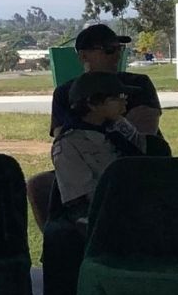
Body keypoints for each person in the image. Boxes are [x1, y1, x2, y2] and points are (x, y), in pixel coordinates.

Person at [26, 24, 163, 226]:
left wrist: (97, 119)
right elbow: (63, 137)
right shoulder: (65, 92)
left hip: (138, 163)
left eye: (119, 48)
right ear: (83, 56)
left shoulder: (139, 83)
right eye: (108, 49)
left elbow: (145, 131)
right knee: (39, 186)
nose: (116, 55)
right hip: (89, 163)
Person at [49, 72, 147, 222]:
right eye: (117, 97)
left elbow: (143, 155)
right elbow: (81, 200)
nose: (125, 101)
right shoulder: (69, 144)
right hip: (99, 216)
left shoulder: (120, 126)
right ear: (92, 103)